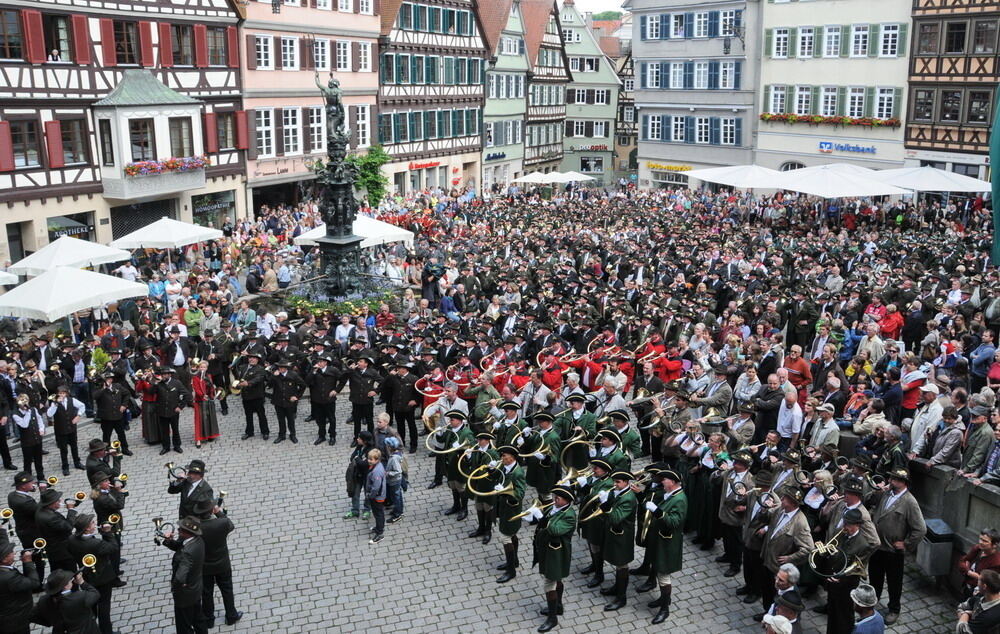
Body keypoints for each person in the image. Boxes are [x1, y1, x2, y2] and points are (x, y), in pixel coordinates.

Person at [868, 468, 927, 626]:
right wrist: (877, 490)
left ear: (903, 482)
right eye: (891, 478)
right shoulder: (886, 493)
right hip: (877, 546)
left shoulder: (910, 501)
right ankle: (871, 605)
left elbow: (921, 529)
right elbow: (870, 501)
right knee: (875, 578)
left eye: (894, 479)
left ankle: (894, 609)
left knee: (894, 582)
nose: (890, 481)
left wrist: (906, 544)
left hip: (893, 551)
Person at [527, 485, 577, 633]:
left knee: (549, 583)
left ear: (567, 501)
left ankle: (552, 618)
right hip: (549, 550)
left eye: (558, 498)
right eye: (555, 496)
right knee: (557, 579)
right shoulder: (554, 508)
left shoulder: (569, 515)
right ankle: (558, 606)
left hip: (558, 553)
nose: (555, 499)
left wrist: (541, 518)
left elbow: (555, 530)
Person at [644, 468, 687, 624]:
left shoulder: (679, 499)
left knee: (663, 575)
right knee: (658, 568)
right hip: (661, 540)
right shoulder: (671, 495)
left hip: (668, 543)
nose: (662, 482)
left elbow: (674, 522)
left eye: (665, 480)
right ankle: (663, 599)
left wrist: (657, 512)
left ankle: (664, 609)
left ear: (673, 483)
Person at [66, 512, 119, 634]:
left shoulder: (71, 539)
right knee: (104, 606)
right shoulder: (96, 543)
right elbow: (113, 547)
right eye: (93, 523)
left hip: (86, 576)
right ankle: (107, 631)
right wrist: (107, 532)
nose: (95, 525)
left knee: (91, 604)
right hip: (103, 577)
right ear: (87, 528)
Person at [194, 499, 242, 628]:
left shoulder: (195, 528)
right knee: (227, 589)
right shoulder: (222, 523)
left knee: (206, 592)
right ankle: (231, 615)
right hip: (222, 564)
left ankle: (209, 619)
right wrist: (219, 513)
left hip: (204, 567)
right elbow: (230, 525)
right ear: (211, 511)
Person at [160, 516, 208, 634]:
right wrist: (168, 541)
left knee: (183, 627)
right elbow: (178, 547)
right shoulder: (198, 540)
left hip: (185, 595)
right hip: (196, 587)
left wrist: (175, 588)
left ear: (188, 533)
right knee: (198, 619)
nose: (178, 530)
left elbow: (180, 577)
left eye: (180, 530)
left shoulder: (187, 553)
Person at [494, 444, 526, 584]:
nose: (502, 458)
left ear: (512, 457)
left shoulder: (518, 473)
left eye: (504, 456)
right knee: (511, 534)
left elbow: (520, 493)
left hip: (511, 509)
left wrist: (505, 491)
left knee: (505, 537)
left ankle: (511, 570)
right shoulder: (505, 467)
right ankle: (514, 561)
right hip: (504, 507)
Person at [46, 384, 86, 476]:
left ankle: (77, 463)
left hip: (71, 428)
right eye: (60, 393)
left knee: (74, 446)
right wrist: (56, 403)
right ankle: (65, 466)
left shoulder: (72, 400)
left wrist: (78, 416)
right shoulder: (54, 403)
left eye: (63, 393)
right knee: (63, 449)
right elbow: (49, 414)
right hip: (61, 429)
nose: (62, 395)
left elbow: (82, 406)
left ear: (66, 394)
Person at [0, 542, 37, 634]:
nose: (14, 553)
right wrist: (28, 562)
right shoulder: (10, 578)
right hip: (15, 622)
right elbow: (34, 583)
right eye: (11, 552)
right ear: (4, 559)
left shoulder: (6, 572)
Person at [155, 367, 193, 455]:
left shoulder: (177, 383)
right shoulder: (159, 383)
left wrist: (180, 406)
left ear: (169, 375)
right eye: (163, 374)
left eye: (165, 374)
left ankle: (177, 446)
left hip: (173, 411)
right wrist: (155, 383)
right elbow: (151, 392)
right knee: (164, 430)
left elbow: (187, 395)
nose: (164, 376)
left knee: (175, 429)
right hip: (162, 411)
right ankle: (166, 447)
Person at [92, 371, 132, 455]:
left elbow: (127, 393)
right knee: (106, 436)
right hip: (106, 417)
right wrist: (103, 388)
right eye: (107, 379)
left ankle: (125, 449)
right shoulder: (99, 388)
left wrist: (124, 405)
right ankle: (106, 452)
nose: (109, 380)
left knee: (121, 434)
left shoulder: (117, 386)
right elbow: (94, 397)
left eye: (110, 378)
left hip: (118, 416)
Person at [305, 353, 340, 446]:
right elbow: (307, 381)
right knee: (320, 419)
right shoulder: (315, 370)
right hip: (318, 399)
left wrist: (336, 390)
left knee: (332, 419)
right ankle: (321, 435)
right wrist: (313, 371)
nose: (319, 363)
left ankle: (332, 436)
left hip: (329, 399)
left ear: (326, 363)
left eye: (321, 362)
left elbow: (343, 379)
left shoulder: (333, 370)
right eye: (318, 361)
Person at [268, 360, 306, 444]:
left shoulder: (293, 375)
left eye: (283, 367)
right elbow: (269, 385)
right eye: (280, 367)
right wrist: (273, 376)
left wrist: (296, 396)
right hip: (278, 401)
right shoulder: (275, 375)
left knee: (291, 419)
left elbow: (303, 385)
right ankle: (282, 435)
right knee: (280, 419)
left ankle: (292, 434)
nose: (281, 369)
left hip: (290, 401)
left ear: (286, 368)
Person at [958, 529, 1000, 600]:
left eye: (985, 541)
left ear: (994, 545)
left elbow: (987, 581)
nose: (980, 542)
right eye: (980, 539)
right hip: (967, 586)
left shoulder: (996, 562)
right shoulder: (978, 549)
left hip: (978, 594)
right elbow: (962, 561)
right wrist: (969, 572)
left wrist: (968, 568)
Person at [12, 396, 45, 481]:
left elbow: (39, 419)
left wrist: (41, 429)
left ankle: (41, 477)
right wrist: (27, 412)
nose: (24, 403)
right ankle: (28, 479)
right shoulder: (15, 414)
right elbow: (24, 424)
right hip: (27, 442)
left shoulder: (33, 409)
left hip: (37, 439)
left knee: (39, 460)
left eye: (25, 401)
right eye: (21, 402)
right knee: (27, 462)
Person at [344, 431, 375, 520]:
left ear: (365, 441)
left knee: (367, 493)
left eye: (359, 438)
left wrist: (357, 458)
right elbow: (352, 457)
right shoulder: (360, 446)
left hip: (367, 476)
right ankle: (355, 510)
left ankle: (367, 510)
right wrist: (358, 459)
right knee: (355, 492)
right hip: (357, 474)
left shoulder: (371, 450)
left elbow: (364, 464)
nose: (357, 439)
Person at [190, 361, 221, 448]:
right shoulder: (195, 377)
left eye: (204, 367)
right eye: (201, 367)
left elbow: (211, 387)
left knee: (209, 417)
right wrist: (203, 395)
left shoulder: (209, 376)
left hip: (209, 399)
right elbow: (196, 389)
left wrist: (213, 394)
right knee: (199, 420)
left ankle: (210, 435)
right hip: (200, 401)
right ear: (198, 368)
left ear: (207, 368)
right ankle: (198, 439)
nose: (202, 369)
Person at [365, 448, 387, 544]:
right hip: (376, 495)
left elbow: (376, 487)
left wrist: (370, 495)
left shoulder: (376, 472)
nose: (369, 461)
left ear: (377, 460)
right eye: (369, 458)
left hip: (377, 497)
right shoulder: (376, 466)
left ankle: (380, 533)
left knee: (378, 514)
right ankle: (378, 528)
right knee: (377, 513)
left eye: (371, 459)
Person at [384, 437, 407, 523]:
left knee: (396, 497)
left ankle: (398, 514)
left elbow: (398, 471)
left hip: (394, 481)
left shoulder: (394, 458)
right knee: (398, 496)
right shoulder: (398, 454)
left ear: (390, 447)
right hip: (396, 480)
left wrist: (388, 473)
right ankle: (398, 510)